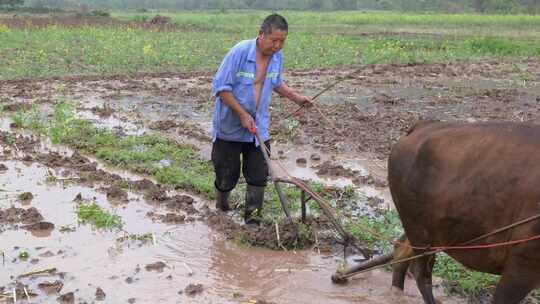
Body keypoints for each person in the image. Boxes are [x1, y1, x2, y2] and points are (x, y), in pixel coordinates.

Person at [211, 13, 312, 225]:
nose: (277, 45)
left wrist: (297, 98)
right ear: (261, 34)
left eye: (282, 41)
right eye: (274, 40)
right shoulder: (239, 52)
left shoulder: (277, 57)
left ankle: (253, 222)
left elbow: (276, 83)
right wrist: (242, 113)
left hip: (258, 129)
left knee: (258, 176)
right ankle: (221, 210)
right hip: (230, 127)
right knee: (226, 176)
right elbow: (221, 88)